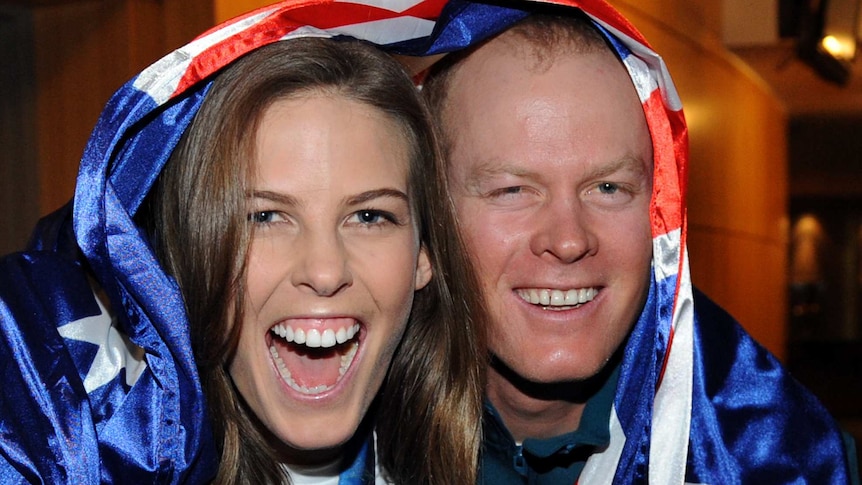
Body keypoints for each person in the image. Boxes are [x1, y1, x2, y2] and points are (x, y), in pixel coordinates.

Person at [0, 9, 484, 485]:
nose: (324, 270)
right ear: (188, 251)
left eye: (369, 216)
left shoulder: (480, 458)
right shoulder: (82, 453)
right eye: (265, 217)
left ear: (425, 255)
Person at [418, 1, 860, 483]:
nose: (568, 241)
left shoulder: (784, 459)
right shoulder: (350, 425)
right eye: (512, 190)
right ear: (430, 210)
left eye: (608, 188)